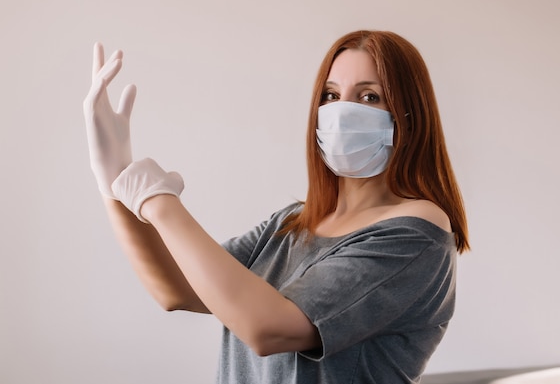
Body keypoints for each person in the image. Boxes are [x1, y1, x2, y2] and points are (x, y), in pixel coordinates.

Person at [83, 30, 470, 384]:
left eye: (369, 96)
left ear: (407, 115)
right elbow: (176, 289)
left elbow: (268, 329)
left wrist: (158, 202)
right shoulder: (292, 222)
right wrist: (114, 184)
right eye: (331, 96)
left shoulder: (416, 233)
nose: (341, 112)